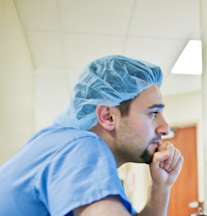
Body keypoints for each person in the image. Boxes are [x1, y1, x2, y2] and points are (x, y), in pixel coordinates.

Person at [0, 55, 184, 216]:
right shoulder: (81, 147)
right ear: (108, 117)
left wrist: (161, 187)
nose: (165, 128)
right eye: (153, 113)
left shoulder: (61, 144)